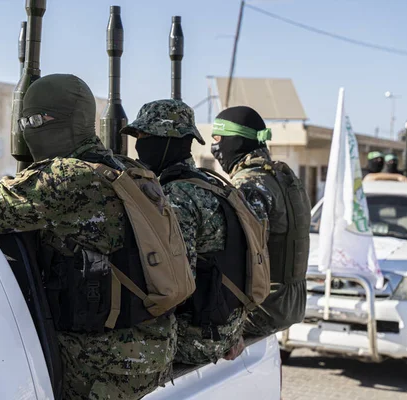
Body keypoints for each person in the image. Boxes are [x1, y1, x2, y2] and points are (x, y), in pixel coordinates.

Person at [0, 75, 183, 400]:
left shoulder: (68, 176)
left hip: (105, 364)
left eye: (32, 121)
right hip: (153, 347)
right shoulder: (129, 168)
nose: (25, 130)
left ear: (57, 121)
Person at [121, 99, 248, 365]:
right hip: (226, 329)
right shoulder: (212, 184)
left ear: (169, 140)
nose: (139, 144)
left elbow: (175, 286)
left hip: (195, 339)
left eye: (145, 136)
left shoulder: (175, 197)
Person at [210, 105, 310, 337]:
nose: (214, 148)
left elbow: (241, 254)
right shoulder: (285, 178)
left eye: (218, 138)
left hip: (263, 309)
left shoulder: (249, 184)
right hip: (291, 303)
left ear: (237, 141)